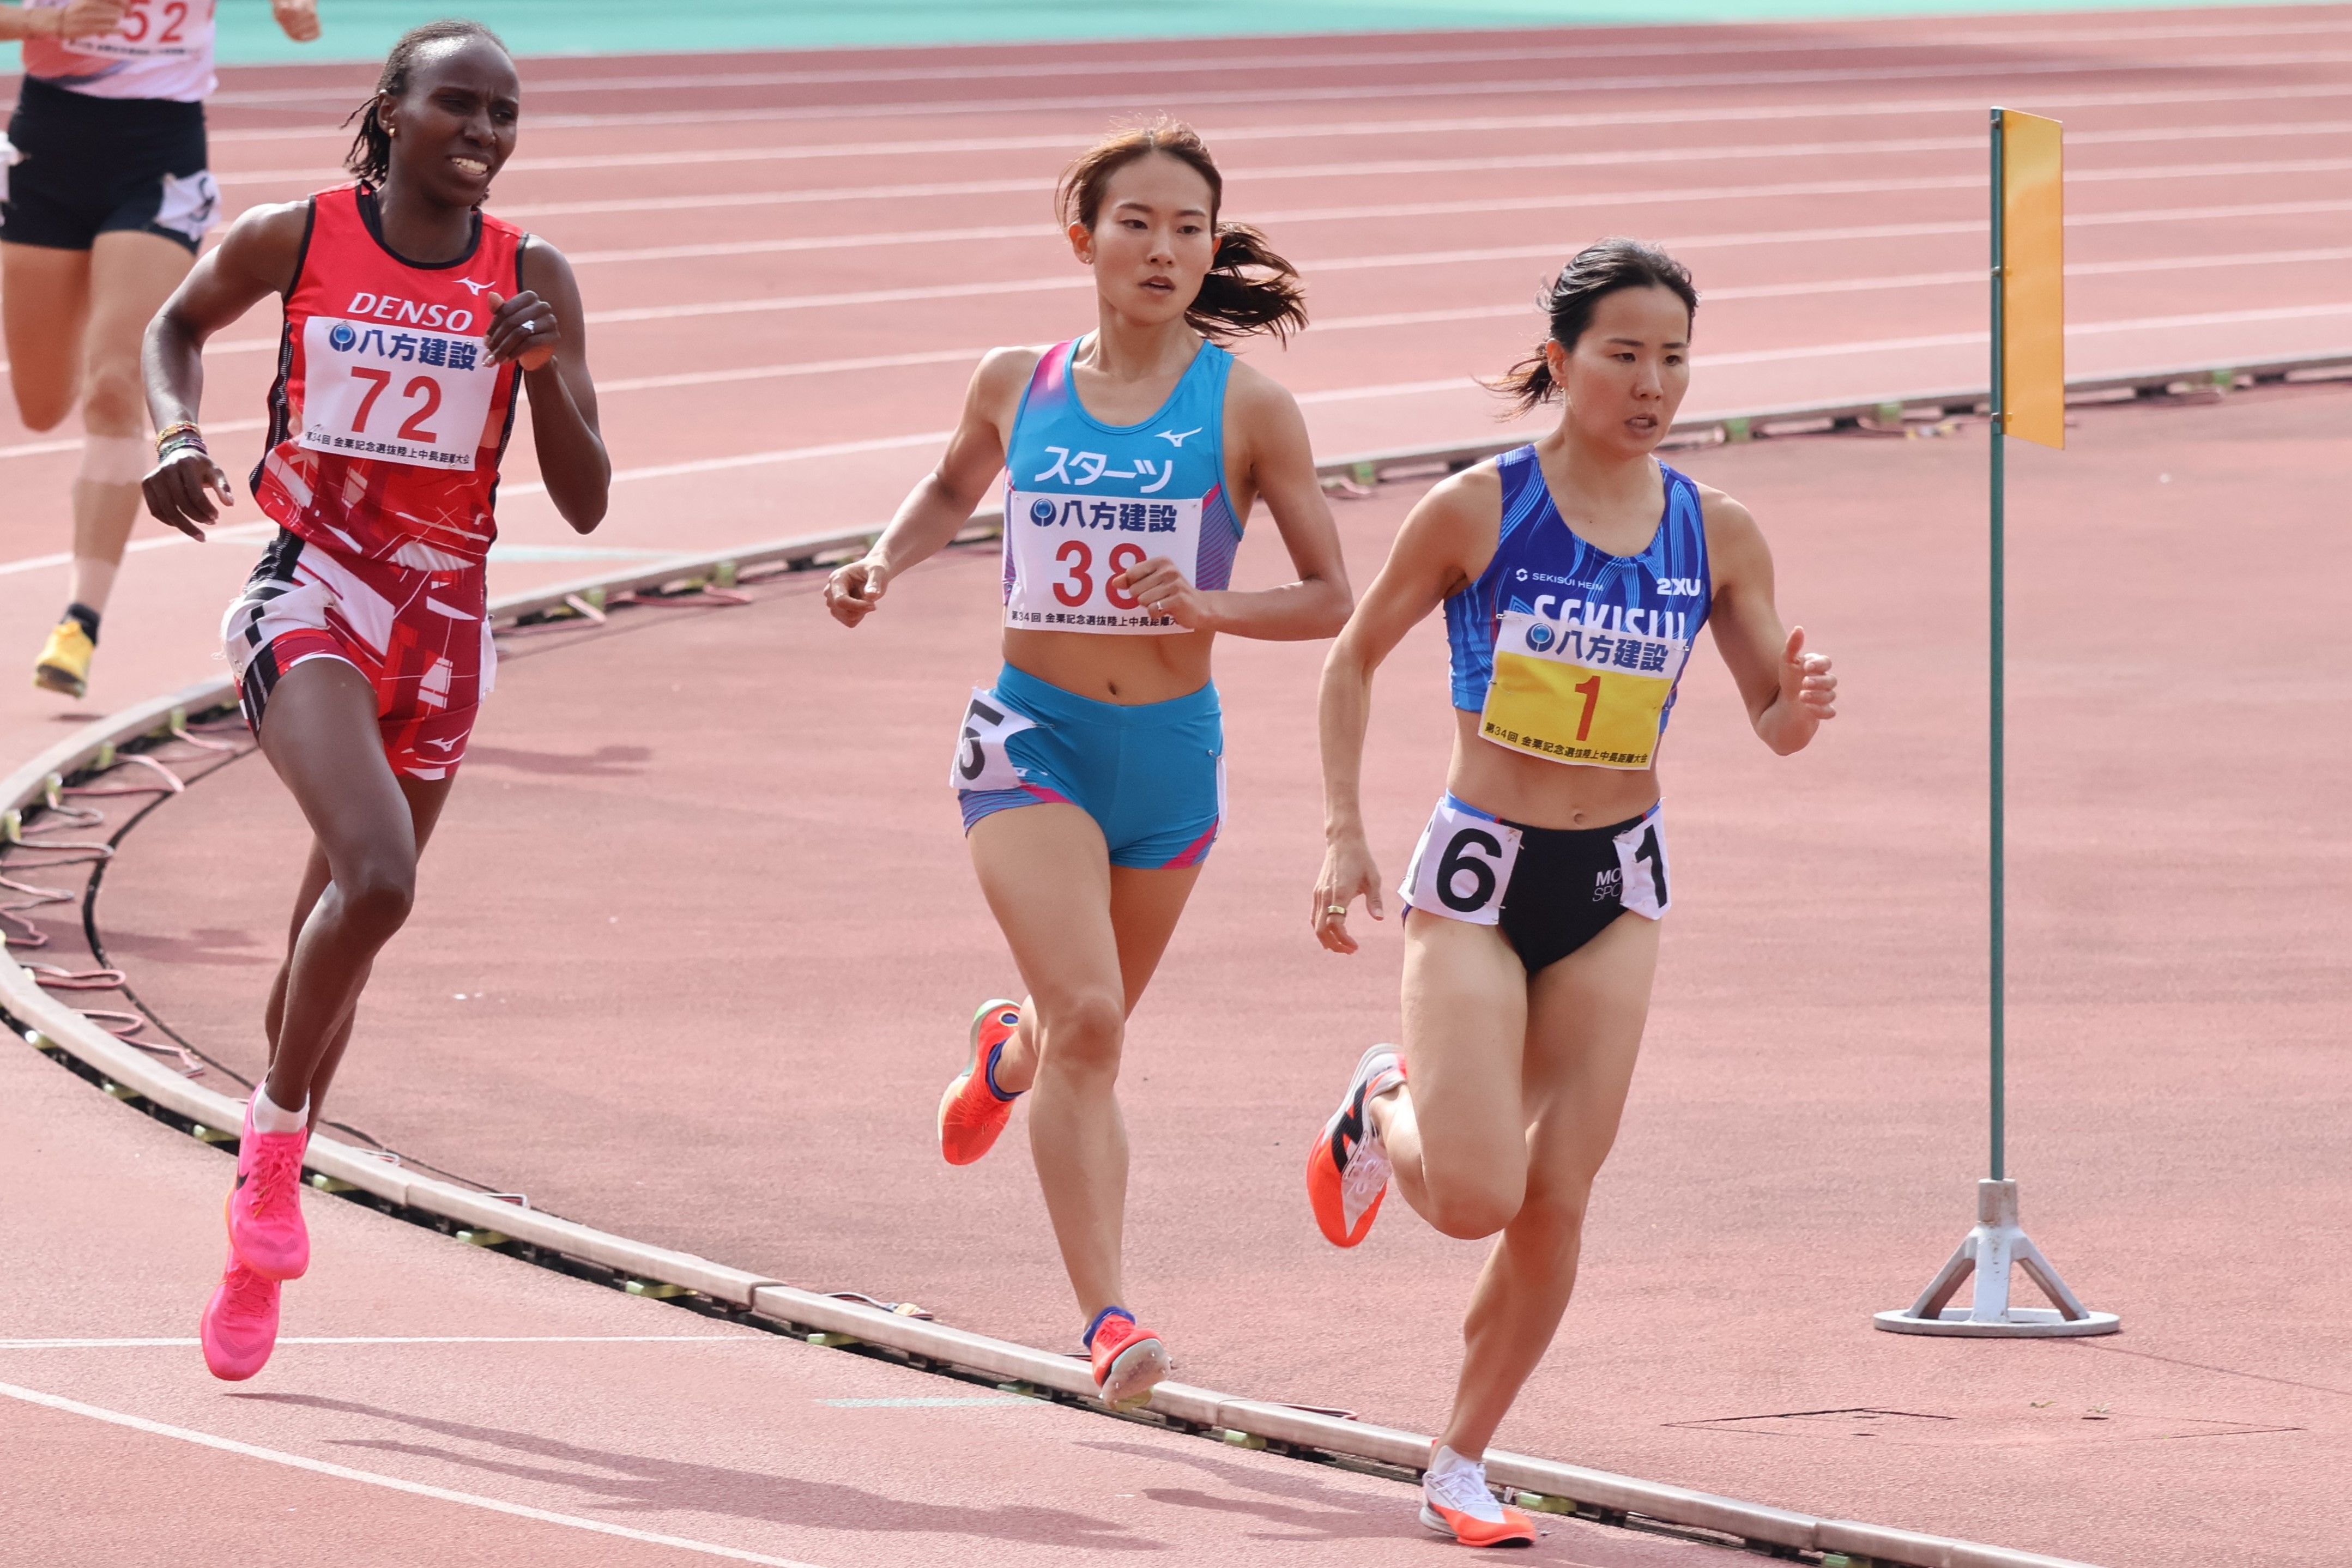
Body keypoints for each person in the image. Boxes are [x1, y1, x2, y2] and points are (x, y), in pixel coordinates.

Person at [1306, 238, 1837, 1546]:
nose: (1651, 384)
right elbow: (1351, 659)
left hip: (1615, 887)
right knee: (1476, 1191)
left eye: (1672, 358)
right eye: (1623, 355)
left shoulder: (1716, 532)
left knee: (1557, 1200)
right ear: (1560, 362)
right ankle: (1382, 1100)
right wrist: (1341, 832)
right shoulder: (1480, 508)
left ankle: (1460, 1460)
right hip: (1481, 875)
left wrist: (1800, 709)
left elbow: (1771, 721)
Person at [825, 119, 1350, 1410]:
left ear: (1210, 249)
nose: (1164, 248)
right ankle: (1108, 1321)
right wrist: (883, 563)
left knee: (1073, 1034)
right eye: (1137, 223)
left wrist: (1212, 609)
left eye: (1188, 229)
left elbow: (1331, 595)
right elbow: (951, 489)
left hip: (1169, 757)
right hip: (1030, 738)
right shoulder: (1018, 382)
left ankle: (1004, 1054)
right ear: (1085, 241)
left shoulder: (1248, 407)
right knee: (1098, 1025)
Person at [139, 19, 609, 1383]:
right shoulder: (300, 237)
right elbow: (176, 325)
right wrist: (176, 434)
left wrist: (539, 374)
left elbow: (585, 501)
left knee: (333, 933)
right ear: (392, 111)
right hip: (316, 591)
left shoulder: (533, 275)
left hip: (449, 628)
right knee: (380, 879)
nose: (482, 131)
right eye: (456, 105)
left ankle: (252, 1230)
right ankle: (278, 1147)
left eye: (504, 116)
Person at [2, 0, 322, 699]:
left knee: (115, 382)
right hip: (48, 145)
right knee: (39, 401)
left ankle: (78, 622)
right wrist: (41, 26)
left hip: (159, 152)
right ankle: (91, 299)